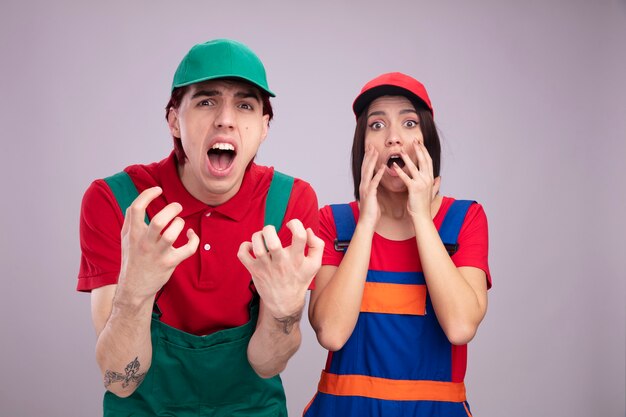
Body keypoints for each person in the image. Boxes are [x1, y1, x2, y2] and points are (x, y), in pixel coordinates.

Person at [77, 38, 324, 417]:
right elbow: (120, 378)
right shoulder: (118, 200)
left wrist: (284, 310)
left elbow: (267, 364)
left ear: (263, 127)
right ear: (174, 119)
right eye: (206, 101)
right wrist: (134, 294)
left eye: (244, 105)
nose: (225, 119)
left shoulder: (289, 203)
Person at [303, 72, 491, 417]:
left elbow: (461, 326)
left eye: (409, 123)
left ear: (427, 140)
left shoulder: (465, 218)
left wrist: (421, 216)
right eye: (377, 125)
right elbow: (330, 333)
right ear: (363, 145)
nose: (393, 138)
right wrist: (366, 223)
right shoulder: (334, 222)